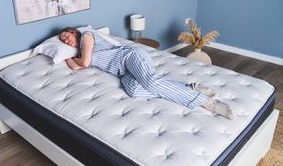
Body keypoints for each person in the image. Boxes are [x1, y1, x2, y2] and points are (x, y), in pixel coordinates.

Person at [59, 27, 235, 120]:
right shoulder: (79, 54)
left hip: (129, 56)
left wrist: (72, 57)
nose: (65, 39)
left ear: (74, 32)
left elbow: (85, 63)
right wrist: (66, 54)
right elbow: (76, 67)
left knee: (151, 82)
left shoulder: (87, 36)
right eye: (62, 40)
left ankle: (208, 102)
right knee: (135, 91)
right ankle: (191, 87)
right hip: (122, 73)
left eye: (66, 35)